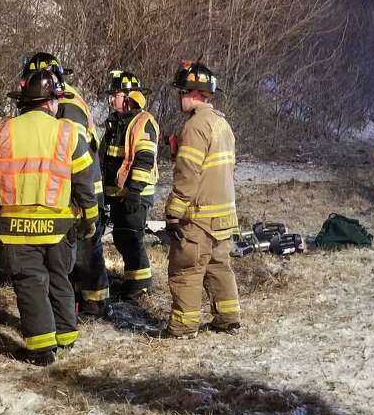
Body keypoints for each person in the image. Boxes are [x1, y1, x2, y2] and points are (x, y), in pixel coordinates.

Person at [0, 66, 97, 365]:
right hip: (59, 224)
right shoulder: (67, 131)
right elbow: (84, 178)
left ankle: (41, 349)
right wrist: (90, 218)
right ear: (51, 102)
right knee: (59, 277)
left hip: (16, 226)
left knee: (30, 283)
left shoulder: (2, 131)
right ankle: (65, 335)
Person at [158, 60, 240, 339]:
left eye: (181, 91)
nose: (179, 97)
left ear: (192, 92)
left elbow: (188, 174)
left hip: (199, 216)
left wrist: (174, 212)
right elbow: (213, 168)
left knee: (187, 270)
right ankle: (228, 318)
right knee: (219, 266)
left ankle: (182, 327)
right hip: (224, 214)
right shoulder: (221, 123)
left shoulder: (194, 126)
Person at [27, 52, 110, 318]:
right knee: (77, 247)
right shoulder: (64, 101)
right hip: (76, 186)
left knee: (87, 246)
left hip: (83, 187)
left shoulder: (68, 105)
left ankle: (95, 302)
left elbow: (71, 152)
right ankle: (81, 298)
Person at [99, 70, 160, 301]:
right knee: (123, 238)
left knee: (132, 238)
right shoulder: (116, 123)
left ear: (127, 96)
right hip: (119, 194)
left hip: (136, 193)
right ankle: (133, 281)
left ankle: (140, 286)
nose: (111, 99)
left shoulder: (142, 122)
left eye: (115, 94)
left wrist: (134, 192)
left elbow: (144, 158)